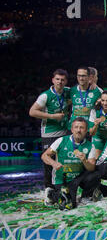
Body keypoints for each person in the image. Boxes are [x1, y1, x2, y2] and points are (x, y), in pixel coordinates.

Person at [29, 69, 72, 205]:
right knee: (49, 162)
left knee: (64, 161)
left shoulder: (68, 92)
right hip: (50, 133)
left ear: (66, 81)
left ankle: (62, 190)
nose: (60, 82)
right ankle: (48, 191)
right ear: (53, 80)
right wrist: (52, 116)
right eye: (57, 79)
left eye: (63, 80)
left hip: (65, 131)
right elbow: (32, 112)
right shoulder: (45, 96)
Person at [41, 117, 100, 209]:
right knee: (68, 204)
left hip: (77, 177)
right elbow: (44, 156)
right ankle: (51, 194)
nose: (78, 130)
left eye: (81, 128)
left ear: (86, 130)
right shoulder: (61, 141)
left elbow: (91, 168)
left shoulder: (90, 145)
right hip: (62, 179)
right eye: (76, 127)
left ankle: (85, 197)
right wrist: (54, 163)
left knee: (95, 174)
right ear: (72, 129)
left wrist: (85, 160)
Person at [68, 66, 103, 131]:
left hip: (89, 128)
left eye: (83, 76)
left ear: (89, 77)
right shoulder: (71, 90)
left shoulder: (98, 91)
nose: (81, 78)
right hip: (74, 128)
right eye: (79, 76)